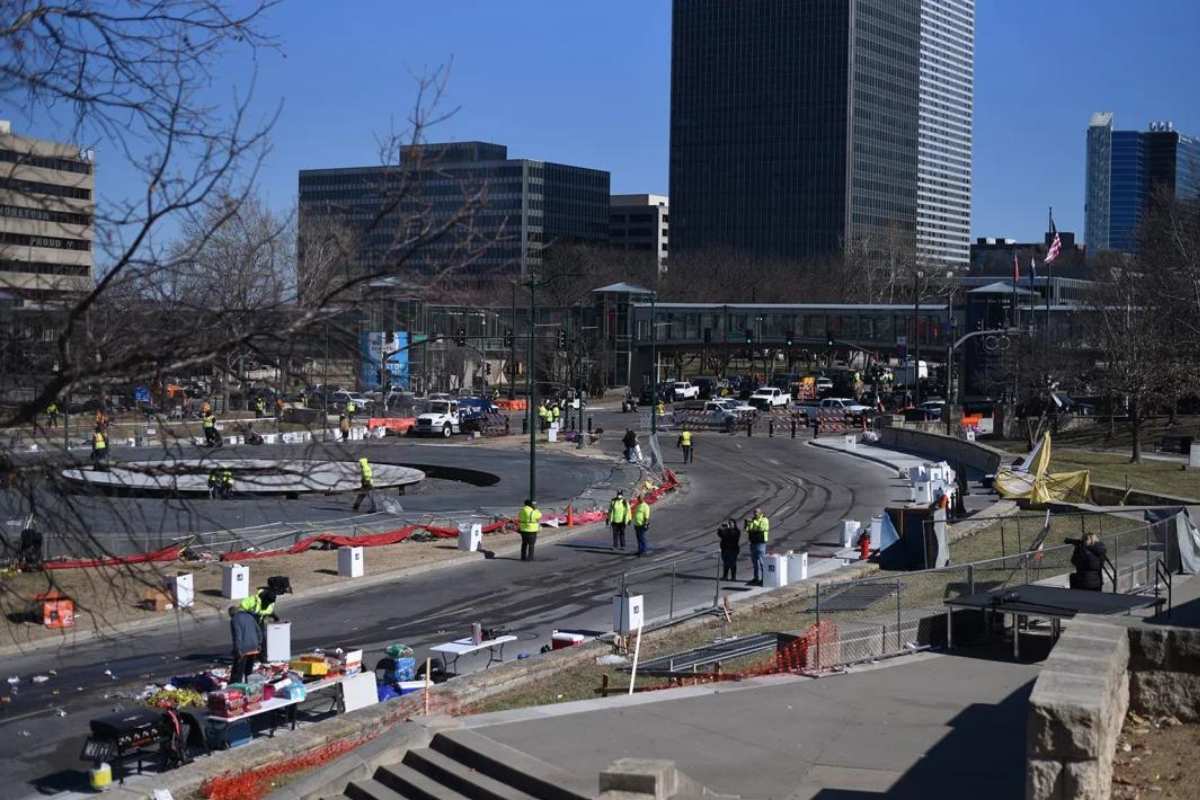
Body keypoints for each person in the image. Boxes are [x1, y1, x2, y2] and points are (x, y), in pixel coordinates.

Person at [228, 605, 262, 683]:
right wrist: (259, 643)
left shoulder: (235, 619)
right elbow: (258, 630)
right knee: (249, 670)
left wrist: (237, 649)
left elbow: (237, 635)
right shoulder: (249, 616)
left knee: (237, 671)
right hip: (254, 647)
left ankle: (235, 686)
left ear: (231, 614)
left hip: (244, 649)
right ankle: (249, 685)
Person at [745, 508, 770, 585]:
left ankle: (764, 579)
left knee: (761, 561)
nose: (755, 514)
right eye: (754, 512)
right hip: (753, 542)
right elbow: (748, 529)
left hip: (760, 542)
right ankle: (756, 578)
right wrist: (747, 523)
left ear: (760, 513)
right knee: (754, 561)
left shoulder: (764, 519)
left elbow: (761, 528)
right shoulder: (753, 520)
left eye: (756, 512)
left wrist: (753, 523)